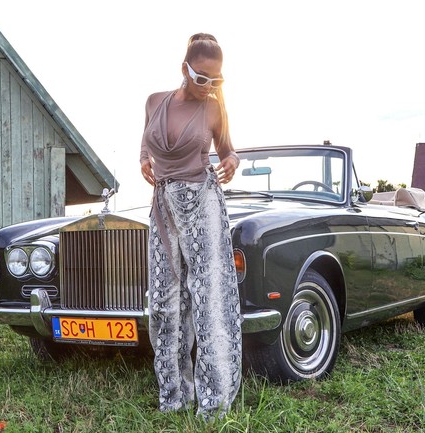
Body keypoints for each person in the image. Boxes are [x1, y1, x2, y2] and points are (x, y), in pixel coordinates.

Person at [139, 33, 242, 419]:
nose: (209, 86)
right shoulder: (154, 101)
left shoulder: (214, 108)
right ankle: (174, 395)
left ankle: (213, 401)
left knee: (208, 299)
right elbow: (146, 144)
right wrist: (143, 160)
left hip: (202, 204)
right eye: (202, 78)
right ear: (184, 68)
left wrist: (231, 162)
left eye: (217, 80)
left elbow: (228, 150)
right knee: (163, 301)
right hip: (163, 209)